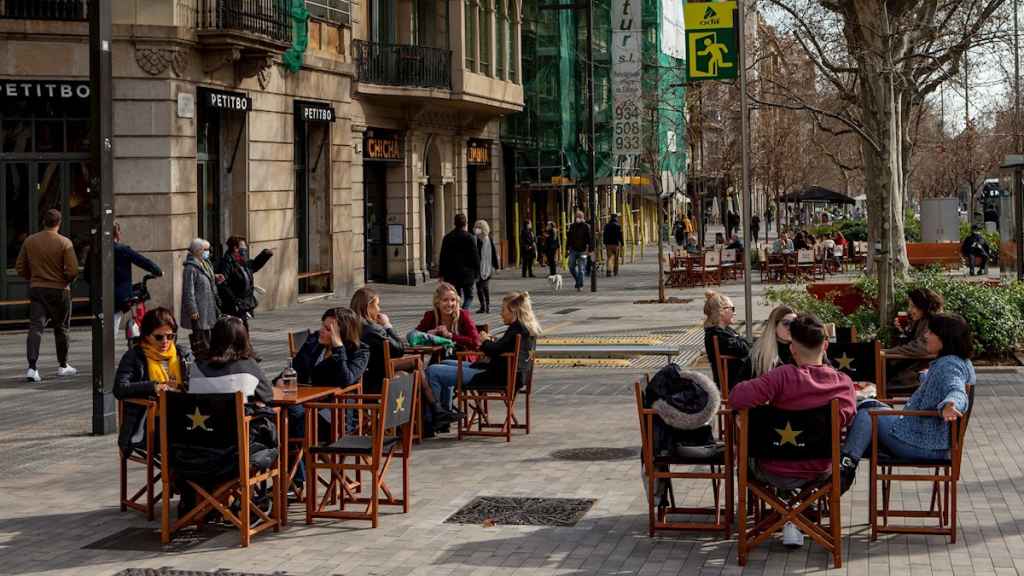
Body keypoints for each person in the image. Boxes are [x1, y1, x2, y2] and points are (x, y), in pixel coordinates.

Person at [730, 314, 857, 548]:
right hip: (821, 469)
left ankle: (787, 518)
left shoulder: (781, 376)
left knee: (745, 449)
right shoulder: (843, 383)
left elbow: (737, 396)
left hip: (772, 468)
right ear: (825, 345)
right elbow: (846, 421)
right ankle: (796, 518)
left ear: (792, 347)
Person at [839, 313, 974, 493]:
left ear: (944, 338)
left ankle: (842, 472)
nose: (925, 336)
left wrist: (950, 404)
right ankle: (847, 462)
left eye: (931, 332)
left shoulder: (949, 366)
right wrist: (926, 376)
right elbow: (949, 381)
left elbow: (956, 390)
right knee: (871, 407)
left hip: (923, 444)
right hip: (931, 441)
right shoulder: (961, 362)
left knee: (867, 415)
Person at [425, 291, 541, 429]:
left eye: (503, 310)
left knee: (433, 371)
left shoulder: (516, 329)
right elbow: (503, 348)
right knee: (443, 363)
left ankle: (433, 419)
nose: (501, 313)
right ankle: (444, 412)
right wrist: (490, 342)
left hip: (495, 377)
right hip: (510, 374)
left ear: (514, 311)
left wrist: (484, 341)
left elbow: (494, 350)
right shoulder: (526, 329)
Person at [114, 307, 192, 453]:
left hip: (185, 418)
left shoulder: (183, 354)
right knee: (182, 446)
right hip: (149, 425)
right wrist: (153, 387)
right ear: (146, 336)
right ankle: (177, 474)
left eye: (170, 336)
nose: (165, 341)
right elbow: (119, 388)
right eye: (159, 337)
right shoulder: (134, 356)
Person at [16, 209, 80, 382]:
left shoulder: (30, 241)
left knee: (36, 328)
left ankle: (32, 367)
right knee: (62, 328)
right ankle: (63, 365)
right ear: (59, 223)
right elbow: (73, 270)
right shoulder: (64, 243)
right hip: (60, 290)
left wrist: (34, 278)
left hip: (38, 289)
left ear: (43, 221)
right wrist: (66, 280)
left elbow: (20, 267)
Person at [884, 288, 944, 392]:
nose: (909, 310)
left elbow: (920, 347)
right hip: (912, 368)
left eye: (913, 306)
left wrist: (886, 353)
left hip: (919, 374)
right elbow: (911, 343)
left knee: (877, 378)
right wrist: (902, 331)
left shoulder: (934, 322)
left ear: (923, 306)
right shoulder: (921, 321)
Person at [350, 287, 404, 395]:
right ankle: (431, 406)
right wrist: (387, 325)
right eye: (377, 305)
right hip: (374, 377)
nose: (379, 309)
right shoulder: (372, 329)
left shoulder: (350, 324)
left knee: (407, 370)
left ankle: (434, 405)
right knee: (417, 365)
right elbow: (399, 349)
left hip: (359, 375)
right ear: (368, 306)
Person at [113, 222, 163, 333]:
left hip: (100, 296)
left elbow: (87, 274)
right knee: (113, 324)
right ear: (117, 233)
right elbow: (142, 261)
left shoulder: (95, 250)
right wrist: (157, 271)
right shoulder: (122, 250)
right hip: (119, 296)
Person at [216, 236, 272, 331]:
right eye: (243, 246)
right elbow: (223, 285)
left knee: (243, 331)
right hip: (233, 306)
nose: (245, 248)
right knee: (236, 331)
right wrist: (235, 301)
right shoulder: (226, 263)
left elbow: (253, 266)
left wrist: (265, 255)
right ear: (235, 248)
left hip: (243, 304)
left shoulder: (241, 261)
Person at [703, 290, 751, 390]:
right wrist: (741, 340)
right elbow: (745, 349)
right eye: (732, 309)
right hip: (734, 383)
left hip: (737, 379)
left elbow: (745, 344)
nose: (735, 312)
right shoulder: (717, 334)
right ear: (721, 311)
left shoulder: (724, 330)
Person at [180, 238, 220, 356]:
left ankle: (208, 356)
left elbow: (207, 279)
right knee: (200, 337)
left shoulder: (205, 264)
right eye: (206, 250)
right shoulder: (190, 268)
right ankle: (202, 358)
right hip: (199, 309)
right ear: (198, 251)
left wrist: (215, 278)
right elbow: (188, 291)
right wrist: (192, 309)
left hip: (208, 307)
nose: (208, 252)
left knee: (209, 335)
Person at [439, 213, 480, 309]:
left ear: (454, 223)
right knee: (469, 296)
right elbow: (475, 256)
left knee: (455, 297)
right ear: (465, 223)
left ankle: (457, 313)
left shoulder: (447, 237)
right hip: (467, 274)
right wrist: (477, 273)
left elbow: (443, 257)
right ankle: (463, 312)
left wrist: (441, 273)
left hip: (451, 274)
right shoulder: (470, 237)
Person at [749, 305, 797, 377]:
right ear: (774, 325)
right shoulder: (759, 354)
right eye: (786, 323)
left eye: (795, 323)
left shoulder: (801, 350)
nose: (791, 328)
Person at [474, 220, 500, 314]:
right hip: (477, 268)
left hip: (487, 267)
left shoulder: (488, 239)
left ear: (484, 229)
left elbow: (493, 253)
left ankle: (487, 306)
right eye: (476, 227)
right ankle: (482, 306)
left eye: (479, 228)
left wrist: (496, 267)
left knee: (484, 287)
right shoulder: (475, 239)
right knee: (479, 288)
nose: (477, 229)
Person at [566, 210, 592, 290]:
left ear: (582, 217)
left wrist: (590, 250)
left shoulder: (586, 226)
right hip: (573, 249)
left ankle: (579, 284)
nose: (577, 218)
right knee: (571, 266)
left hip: (583, 250)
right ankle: (578, 280)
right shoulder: (572, 226)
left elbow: (590, 239)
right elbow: (569, 238)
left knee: (581, 269)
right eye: (577, 216)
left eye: (579, 216)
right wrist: (567, 248)